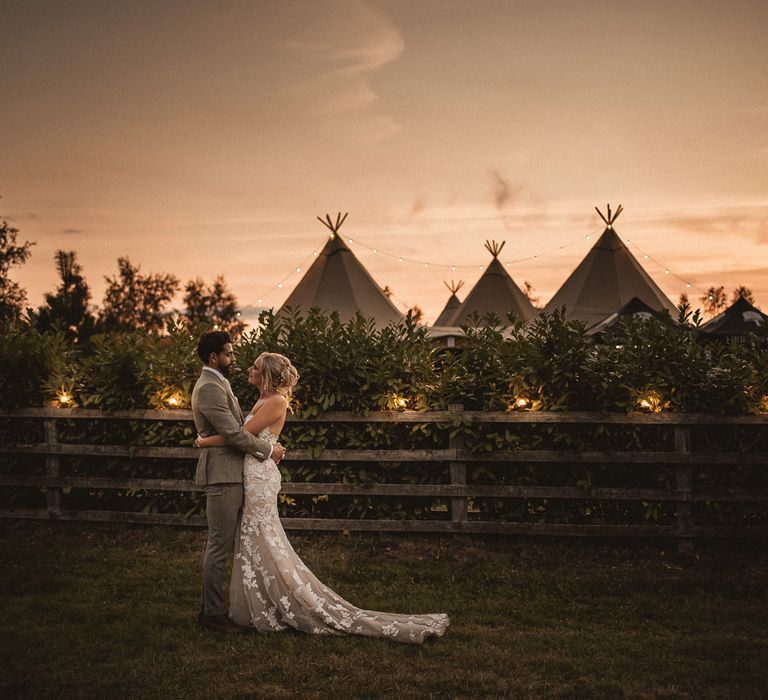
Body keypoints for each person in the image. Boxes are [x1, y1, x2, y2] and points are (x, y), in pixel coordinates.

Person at [195, 351, 450, 644]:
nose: (249, 369)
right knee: (254, 539)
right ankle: (259, 602)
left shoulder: (276, 400)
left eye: (255, 367)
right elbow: (248, 437)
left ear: (265, 374)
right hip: (252, 473)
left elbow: (241, 435)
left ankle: (285, 599)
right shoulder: (262, 399)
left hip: (259, 478)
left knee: (263, 537)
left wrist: (204, 440)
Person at [191, 331, 286, 633]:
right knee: (220, 544)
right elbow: (233, 434)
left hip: (234, 473)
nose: (234, 359)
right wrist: (268, 450)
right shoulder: (208, 387)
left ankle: (218, 608)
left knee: (227, 543)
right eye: (229, 354)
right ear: (213, 358)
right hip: (222, 475)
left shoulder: (220, 383)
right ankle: (213, 615)